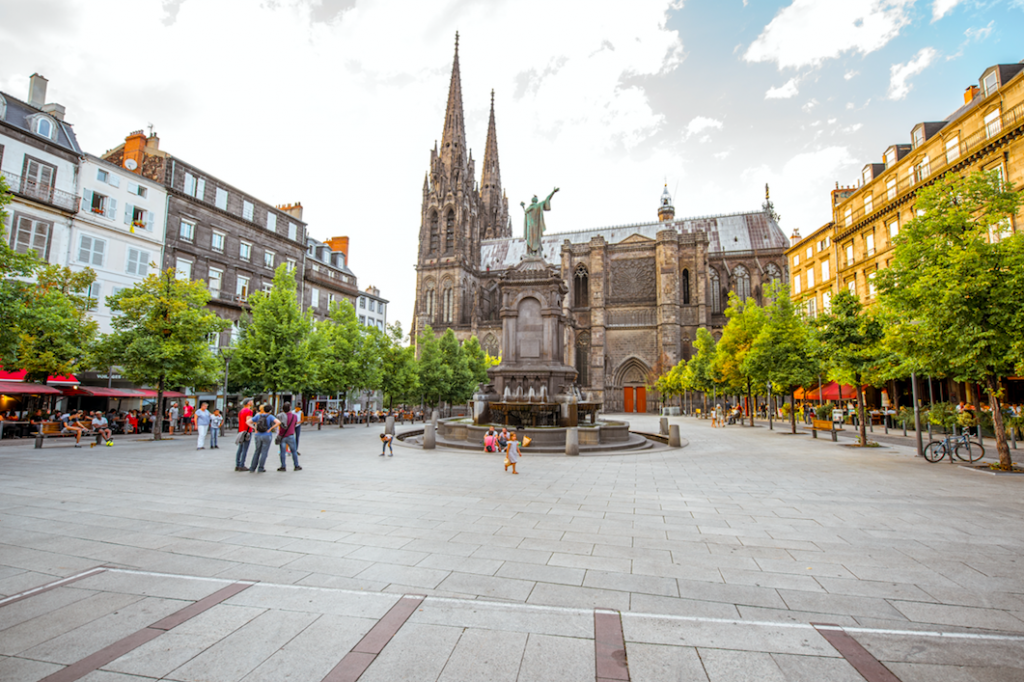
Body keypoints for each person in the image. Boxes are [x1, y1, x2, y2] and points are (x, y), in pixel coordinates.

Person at [248, 403, 279, 473]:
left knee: (257, 451)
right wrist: (271, 428)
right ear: (270, 410)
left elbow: (248, 422)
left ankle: (252, 467)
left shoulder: (258, 416)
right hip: (267, 435)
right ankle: (260, 467)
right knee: (264, 452)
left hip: (258, 435)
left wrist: (254, 428)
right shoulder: (270, 416)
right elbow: (278, 422)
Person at [276, 402, 302, 471]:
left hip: (282, 435)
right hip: (290, 435)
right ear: (290, 408)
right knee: (294, 451)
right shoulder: (294, 416)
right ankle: (296, 465)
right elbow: (295, 424)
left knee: (282, 452)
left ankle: (283, 466)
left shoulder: (280, 416)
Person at [235, 399, 255, 471]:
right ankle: (242, 465)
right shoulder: (249, 411)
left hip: (241, 430)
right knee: (245, 449)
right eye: (251, 401)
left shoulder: (241, 411)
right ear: (248, 402)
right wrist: (254, 427)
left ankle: (237, 464)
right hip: (247, 431)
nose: (252, 402)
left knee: (240, 448)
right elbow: (248, 421)